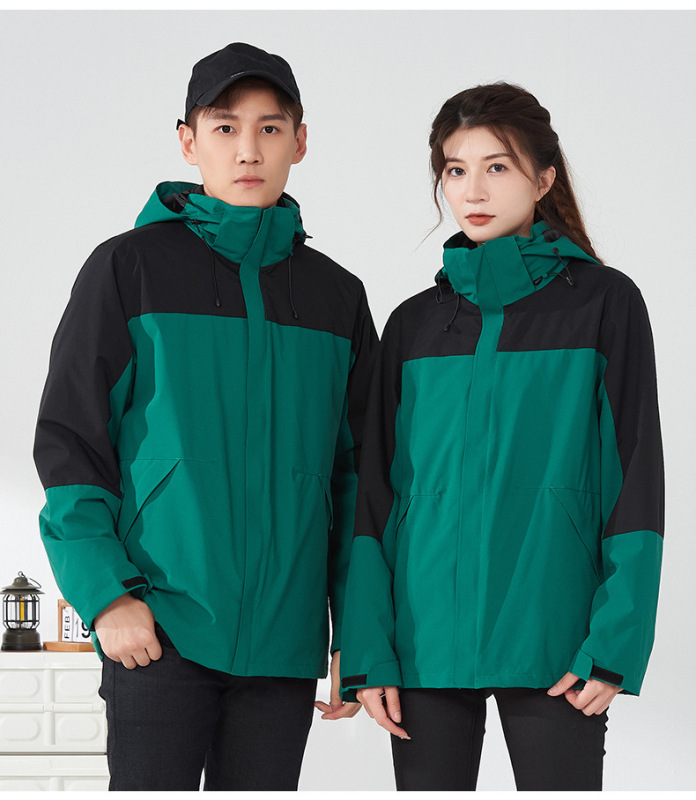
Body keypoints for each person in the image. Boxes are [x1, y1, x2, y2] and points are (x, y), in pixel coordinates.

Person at [34, 42, 367, 791]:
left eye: (269, 128)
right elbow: (71, 442)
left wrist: (359, 631)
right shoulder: (128, 268)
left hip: (284, 644)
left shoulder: (336, 296)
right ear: (188, 142)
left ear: (300, 141)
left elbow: (356, 480)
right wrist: (107, 595)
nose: (248, 149)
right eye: (224, 128)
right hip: (159, 628)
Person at [339, 82, 663, 791]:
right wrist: (366, 648)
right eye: (456, 169)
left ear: (543, 179)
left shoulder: (605, 304)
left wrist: (615, 643)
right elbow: (374, 499)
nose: (473, 190)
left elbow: (635, 483)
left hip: (555, 640)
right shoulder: (413, 324)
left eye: (498, 167)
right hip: (423, 641)